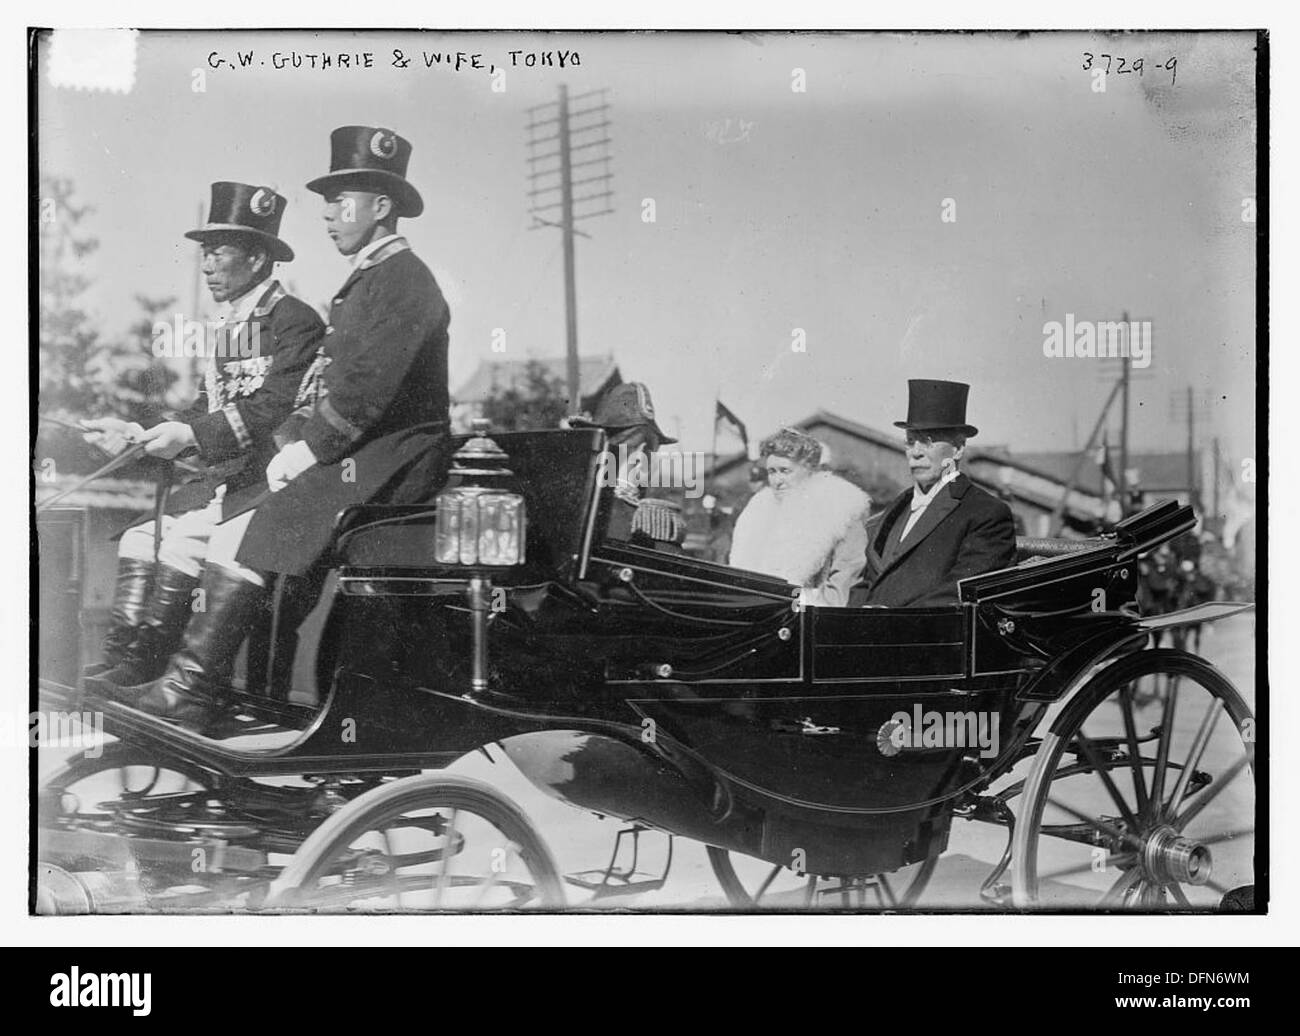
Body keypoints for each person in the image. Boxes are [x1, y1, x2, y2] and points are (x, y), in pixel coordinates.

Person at [118, 126, 453, 733]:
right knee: (231, 523)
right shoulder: (366, 281)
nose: (327, 214)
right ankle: (186, 681)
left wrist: (306, 450)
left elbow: (365, 392)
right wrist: (296, 442)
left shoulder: (405, 279)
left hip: (396, 460)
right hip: (365, 453)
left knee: (249, 527)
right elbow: (326, 388)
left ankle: (196, 690)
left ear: (382, 207)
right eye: (326, 202)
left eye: (340, 201)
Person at [82, 182, 324, 687]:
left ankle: (172, 679)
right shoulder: (232, 325)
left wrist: (186, 436)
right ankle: (134, 663)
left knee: (183, 542)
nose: (207, 266)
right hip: (234, 482)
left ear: (257, 259)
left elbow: (272, 408)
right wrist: (136, 434)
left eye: (219, 253)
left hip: (277, 484)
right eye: (205, 254)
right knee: (143, 538)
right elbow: (205, 409)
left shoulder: (295, 321)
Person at [850, 379, 1016, 608]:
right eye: (910, 441)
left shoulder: (986, 514)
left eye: (927, 442)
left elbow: (960, 591)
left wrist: (886, 621)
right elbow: (866, 582)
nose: (915, 453)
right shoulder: (897, 507)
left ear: (958, 448)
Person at [729, 427, 870, 607]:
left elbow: (841, 593)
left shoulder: (842, 509)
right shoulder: (758, 510)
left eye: (785, 471)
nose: (777, 481)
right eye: (772, 471)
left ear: (810, 469)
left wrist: (782, 603)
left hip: (808, 620)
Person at [573, 382, 687, 549]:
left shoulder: (653, 523)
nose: (641, 459)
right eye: (631, 447)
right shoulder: (573, 507)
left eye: (649, 450)